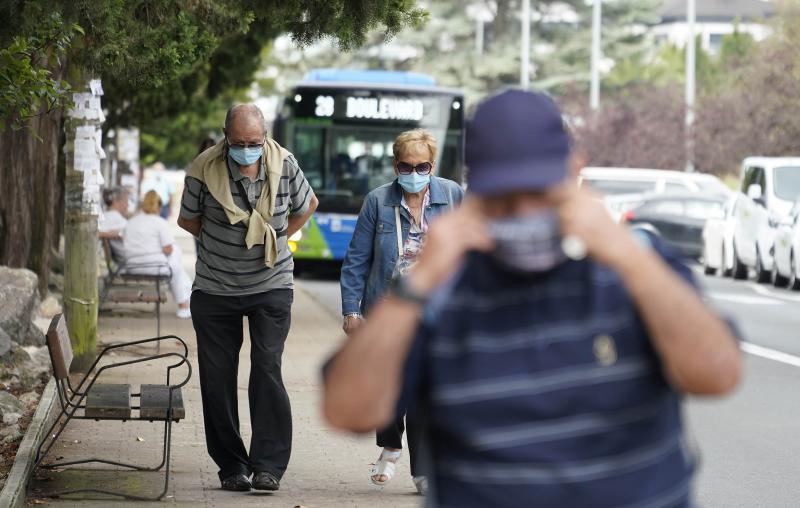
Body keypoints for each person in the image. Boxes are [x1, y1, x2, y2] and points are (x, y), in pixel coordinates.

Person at [323, 90, 743, 507]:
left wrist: (626, 257)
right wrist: (422, 280)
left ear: (574, 170)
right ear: (476, 191)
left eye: (541, 191)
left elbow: (717, 373)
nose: (523, 210)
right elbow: (348, 409)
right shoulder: (447, 291)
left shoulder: (637, 263)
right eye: (503, 196)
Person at [177, 104, 318, 493]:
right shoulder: (203, 170)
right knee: (217, 379)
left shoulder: (284, 163)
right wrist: (220, 248)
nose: (246, 150)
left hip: (272, 283)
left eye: (253, 143)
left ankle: (268, 465)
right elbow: (187, 220)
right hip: (215, 287)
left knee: (267, 367)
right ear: (225, 137)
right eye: (237, 143)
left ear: (265, 137)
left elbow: (308, 205)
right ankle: (232, 466)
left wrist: (275, 237)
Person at [339, 129, 463, 493]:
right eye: (406, 166)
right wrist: (351, 311)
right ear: (395, 166)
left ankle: (422, 471)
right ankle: (390, 445)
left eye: (422, 165)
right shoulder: (378, 201)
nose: (414, 172)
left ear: (432, 165)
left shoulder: (453, 195)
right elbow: (357, 260)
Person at [123, 190, 193, 318]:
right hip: (154, 266)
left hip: (131, 265)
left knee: (175, 264)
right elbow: (168, 249)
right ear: (159, 206)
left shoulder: (131, 222)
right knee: (175, 254)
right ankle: (184, 304)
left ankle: (187, 300)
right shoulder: (160, 222)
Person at [98, 186, 130, 259]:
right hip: (127, 261)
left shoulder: (104, 217)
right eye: (126, 201)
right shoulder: (117, 219)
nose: (128, 205)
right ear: (116, 202)